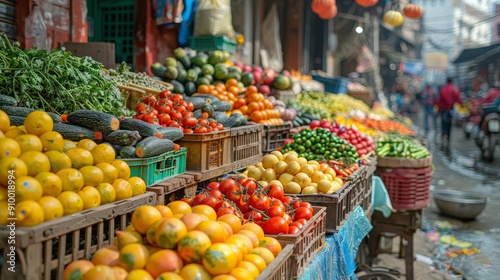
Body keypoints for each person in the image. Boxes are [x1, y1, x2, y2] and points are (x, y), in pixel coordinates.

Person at [437, 78, 464, 150]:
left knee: (444, 125)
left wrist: (439, 109)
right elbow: (458, 99)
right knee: (449, 126)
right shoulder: (454, 89)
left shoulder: (443, 89)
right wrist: (462, 105)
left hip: (444, 111)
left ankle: (443, 137)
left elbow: (439, 101)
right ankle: (448, 140)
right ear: (452, 81)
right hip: (451, 111)